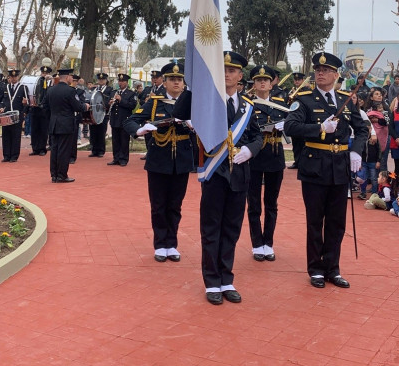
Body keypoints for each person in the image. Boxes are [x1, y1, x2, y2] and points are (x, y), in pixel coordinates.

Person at [284, 52, 368, 289]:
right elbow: (291, 126)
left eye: (325, 70)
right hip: (314, 167)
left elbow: (362, 129)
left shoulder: (346, 99)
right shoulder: (305, 99)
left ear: (335, 74)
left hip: (340, 167)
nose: (320, 74)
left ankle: (333, 268)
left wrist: (356, 151)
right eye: (317, 70)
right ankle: (316, 269)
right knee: (315, 221)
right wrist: (319, 127)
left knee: (336, 222)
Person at [199, 51, 262, 304]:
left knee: (232, 230)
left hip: (239, 175)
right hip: (215, 174)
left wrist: (250, 150)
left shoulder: (248, 106)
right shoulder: (207, 101)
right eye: (223, 69)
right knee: (211, 228)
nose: (227, 74)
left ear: (240, 76)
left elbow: (257, 136)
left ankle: (227, 279)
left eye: (232, 70)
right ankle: (212, 282)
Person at [123, 62, 193, 263]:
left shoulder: (191, 103)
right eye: (172, 79)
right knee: (158, 204)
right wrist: (140, 130)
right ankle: (160, 244)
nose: (176, 83)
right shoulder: (154, 103)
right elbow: (130, 121)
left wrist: (193, 125)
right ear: (165, 82)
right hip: (159, 160)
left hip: (181, 160)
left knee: (175, 204)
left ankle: (172, 243)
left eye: (179, 79)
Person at [247, 64, 287, 262]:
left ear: (272, 84)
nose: (262, 82)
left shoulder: (281, 104)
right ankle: (256, 243)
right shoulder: (247, 104)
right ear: (253, 84)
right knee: (254, 204)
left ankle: (268, 243)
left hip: (275, 155)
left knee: (271, 203)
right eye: (258, 80)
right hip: (254, 157)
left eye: (266, 80)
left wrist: (285, 125)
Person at [43, 68, 88, 183]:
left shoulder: (50, 90)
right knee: (64, 150)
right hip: (66, 124)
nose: (72, 79)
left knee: (55, 150)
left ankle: (54, 175)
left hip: (53, 124)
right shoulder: (70, 91)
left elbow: (45, 107)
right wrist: (85, 107)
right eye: (71, 77)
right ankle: (62, 175)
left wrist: (52, 119)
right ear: (67, 77)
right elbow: (77, 107)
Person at [108, 73, 137, 167]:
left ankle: (123, 159)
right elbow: (109, 105)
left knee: (124, 140)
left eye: (122, 81)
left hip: (125, 120)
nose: (120, 83)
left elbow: (132, 106)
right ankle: (116, 158)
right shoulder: (114, 92)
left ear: (126, 82)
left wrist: (121, 100)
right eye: (119, 81)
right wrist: (110, 103)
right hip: (115, 120)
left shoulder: (131, 93)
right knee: (115, 140)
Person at [0, 69, 28, 162]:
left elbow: (27, 102)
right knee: (6, 135)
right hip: (6, 116)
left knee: (15, 136)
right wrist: (1, 107)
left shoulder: (23, 87)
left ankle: (14, 156)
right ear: (9, 77)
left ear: (18, 77)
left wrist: (24, 110)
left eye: (15, 77)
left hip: (17, 115)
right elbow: (0, 100)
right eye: (12, 77)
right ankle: (6, 155)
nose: (13, 78)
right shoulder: (5, 87)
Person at [28, 66, 52, 156]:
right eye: (43, 73)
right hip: (35, 108)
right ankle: (35, 148)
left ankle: (42, 148)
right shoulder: (37, 82)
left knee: (43, 130)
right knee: (34, 129)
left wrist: (51, 80)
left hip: (45, 110)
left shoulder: (50, 82)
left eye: (46, 73)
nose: (44, 74)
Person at [89, 73, 113, 158]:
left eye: (103, 80)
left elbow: (110, 100)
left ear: (106, 80)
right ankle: (94, 149)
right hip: (94, 113)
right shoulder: (94, 89)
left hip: (103, 113)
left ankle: (101, 150)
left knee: (101, 131)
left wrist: (104, 105)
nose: (101, 81)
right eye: (99, 79)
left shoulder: (109, 89)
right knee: (93, 131)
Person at [69, 74, 86, 164]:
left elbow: (82, 103)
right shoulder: (67, 90)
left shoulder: (79, 91)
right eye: (72, 81)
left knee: (73, 138)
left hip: (75, 116)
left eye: (75, 81)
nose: (73, 83)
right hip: (66, 115)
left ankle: (72, 156)